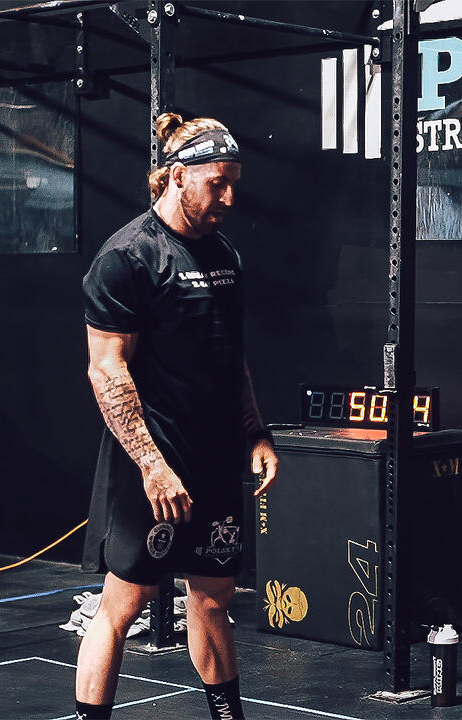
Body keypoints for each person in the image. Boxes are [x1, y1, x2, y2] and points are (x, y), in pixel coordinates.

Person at [74, 113, 278, 720]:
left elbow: (228, 354)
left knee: (214, 600)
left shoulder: (224, 254)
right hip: (153, 462)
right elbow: (106, 370)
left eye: (234, 183)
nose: (230, 197)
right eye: (218, 183)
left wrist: (255, 431)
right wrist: (152, 467)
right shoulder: (127, 258)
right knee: (123, 606)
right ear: (177, 177)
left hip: (214, 457)